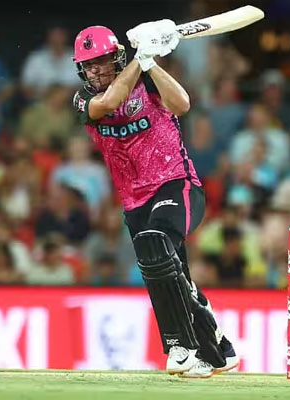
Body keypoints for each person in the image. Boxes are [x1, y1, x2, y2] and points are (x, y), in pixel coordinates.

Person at [70, 23, 237, 378]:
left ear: (116, 57)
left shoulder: (146, 79)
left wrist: (150, 62)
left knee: (156, 244)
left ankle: (180, 346)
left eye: (102, 61)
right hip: (134, 202)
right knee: (172, 276)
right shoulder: (83, 99)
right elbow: (111, 102)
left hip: (176, 185)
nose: (96, 70)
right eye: (89, 64)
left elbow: (183, 104)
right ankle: (219, 351)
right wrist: (139, 59)